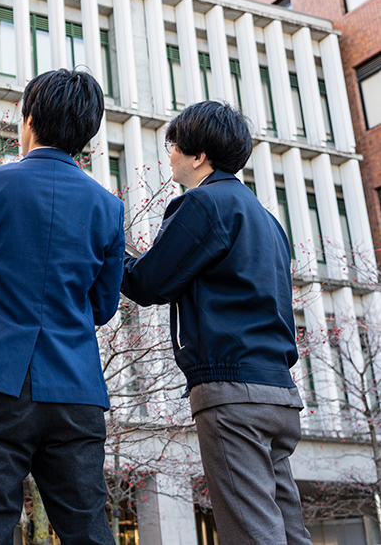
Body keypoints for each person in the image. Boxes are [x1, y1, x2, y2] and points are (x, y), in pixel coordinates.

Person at [0, 68, 124, 544]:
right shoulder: (108, 206)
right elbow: (102, 306)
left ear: (28, 119)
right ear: (87, 134)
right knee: (88, 529)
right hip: (75, 389)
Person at [121, 101, 310, 545]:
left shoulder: (204, 204)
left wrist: (103, 247)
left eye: (173, 146)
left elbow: (148, 283)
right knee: (286, 530)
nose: (168, 154)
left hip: (233, 394)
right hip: (280, 393)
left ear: (198, 155)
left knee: (251, 533)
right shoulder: (267, 219)